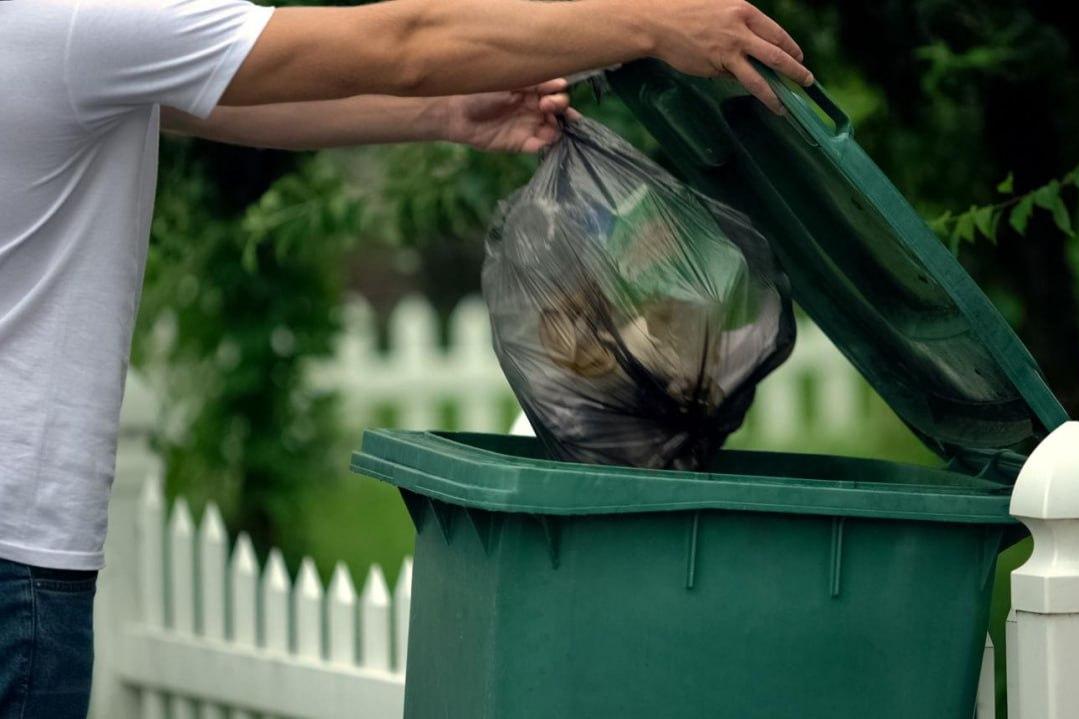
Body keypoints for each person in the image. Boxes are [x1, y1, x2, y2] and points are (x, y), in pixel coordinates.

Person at [0, 0, 812, 716]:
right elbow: (402, 38)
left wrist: (439, 114)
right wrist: (651, 20)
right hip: (18, 561)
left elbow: (202, 95)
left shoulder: (53, 36)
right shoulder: (73, 21)